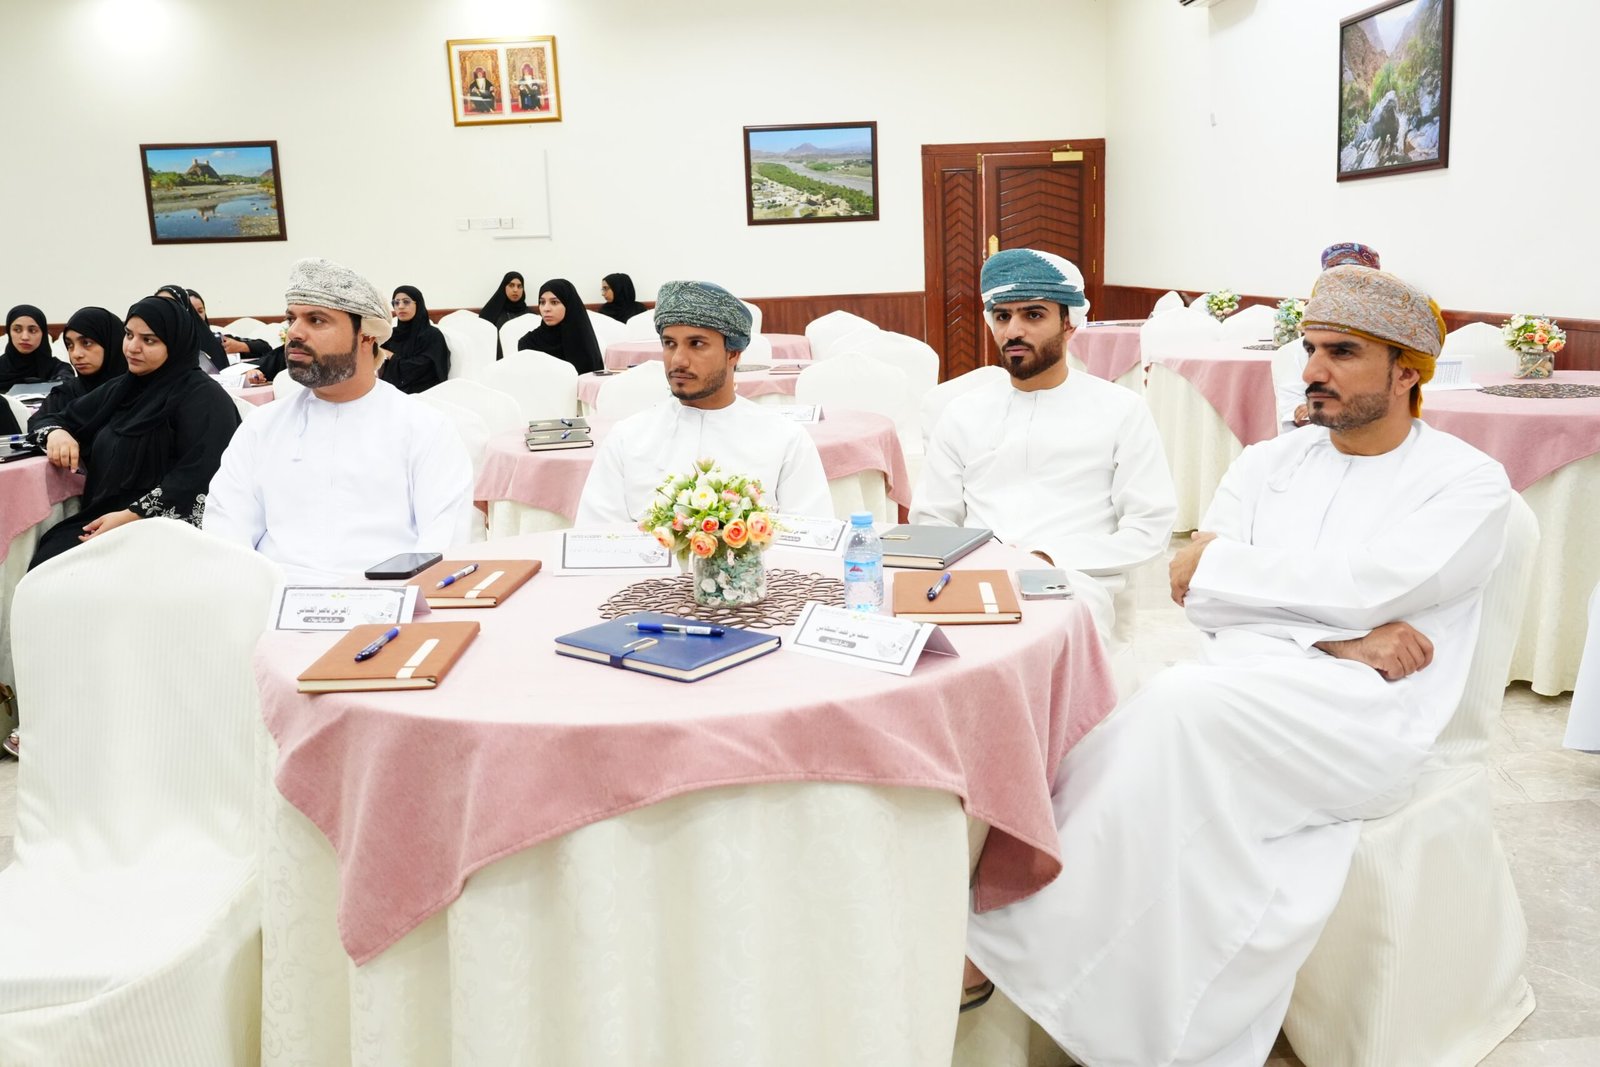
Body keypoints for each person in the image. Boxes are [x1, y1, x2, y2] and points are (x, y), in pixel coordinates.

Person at [963, 266, 1513, 1067]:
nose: (1314, 369)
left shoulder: (1467, 483)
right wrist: (1336, 637)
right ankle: (1099, 989)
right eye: (1311, 348)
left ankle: (1005, 948)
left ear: (1406, 372)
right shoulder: (1267, 463)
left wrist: (1262, 595)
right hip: (1250, 679)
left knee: (1178, 704)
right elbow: (1193, 589)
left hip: (1369, 718)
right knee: (1141, 720)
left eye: (1343, 353)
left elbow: (1368, 587)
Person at [911, 249, 1175, 638]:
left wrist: (1048, 558)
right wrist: (973, 566)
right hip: (973, 576)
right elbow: (932, 518)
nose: (1013, 331)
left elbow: (1149, 525)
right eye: (1003, 316)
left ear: (1069, 324)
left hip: (1075, 581)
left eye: (1033, 315)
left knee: (1038, 638)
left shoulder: (1122, 410)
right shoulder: (961, 412)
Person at [204, 257, 474, 583]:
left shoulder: (425, 428)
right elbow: (226, 533)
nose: (294, 332)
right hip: (273, 601)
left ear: (366, 337)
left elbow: (442, 547)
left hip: (390, 602)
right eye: (291, 318)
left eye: (316, 320)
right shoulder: (261, 427)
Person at [576, 280, 831, 525]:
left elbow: (812, 536)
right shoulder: (628, 438)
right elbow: (597, 536)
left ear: (733, 353)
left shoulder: (785, 439)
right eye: (669, 343)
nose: (678, 360)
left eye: (696, 344)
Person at [26, 295, 241, 569]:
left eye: (149, 340)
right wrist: (57, 433)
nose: (132, 348)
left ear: (175, 343)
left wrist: (132, 516)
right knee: (46, 566)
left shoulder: (204, 397)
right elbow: (48, 418)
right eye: (129, 335)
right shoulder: (124, 388)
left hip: (170, 529)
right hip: (104, 518)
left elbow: (200, 475)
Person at [1282, 243, 1385, 431]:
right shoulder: (1300, 348)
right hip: (1320, 436)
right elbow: (1291, 411)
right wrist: (1308, 411)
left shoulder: (1390, 341)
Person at [29, 306, 129, 428]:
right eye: (70, 345)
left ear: (110, 343)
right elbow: (36, 424)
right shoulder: (65, 394)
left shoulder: (134, 393)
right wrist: (53, 432)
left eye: (86, 343)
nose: (75, 354)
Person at [516, 278, 604, 375]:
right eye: (542, 302)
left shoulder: (583, 340)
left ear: (568, 305)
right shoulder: (528, 344)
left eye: (554, 302)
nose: (546, 309)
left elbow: (592, 378)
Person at [379, 285, 451, 394]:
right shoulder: (391, 334)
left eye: (406, 302)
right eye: (396, 303)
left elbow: (421, 369)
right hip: (389, 390)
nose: (400, 307)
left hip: (423, 393)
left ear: (419, 304)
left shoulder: (432, 335)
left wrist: (391, 356)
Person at [156, 284, 229, 373]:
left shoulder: (207, 342)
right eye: (159, 304)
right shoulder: (149, 338)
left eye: (171, 304)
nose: (164, 309)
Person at [0, 304, 71, 392]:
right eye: (17, 330)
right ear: (9, 332)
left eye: (32, 330)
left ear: (43, 334)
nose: (25, 337)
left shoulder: (58, 369)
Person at [479, 270, 529, 359]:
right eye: (511, 285)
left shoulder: (530, 314)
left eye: (519, 286)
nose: (515, 290)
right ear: (504, 287)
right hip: (498, 360)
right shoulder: (491, 311)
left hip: (524, 359)